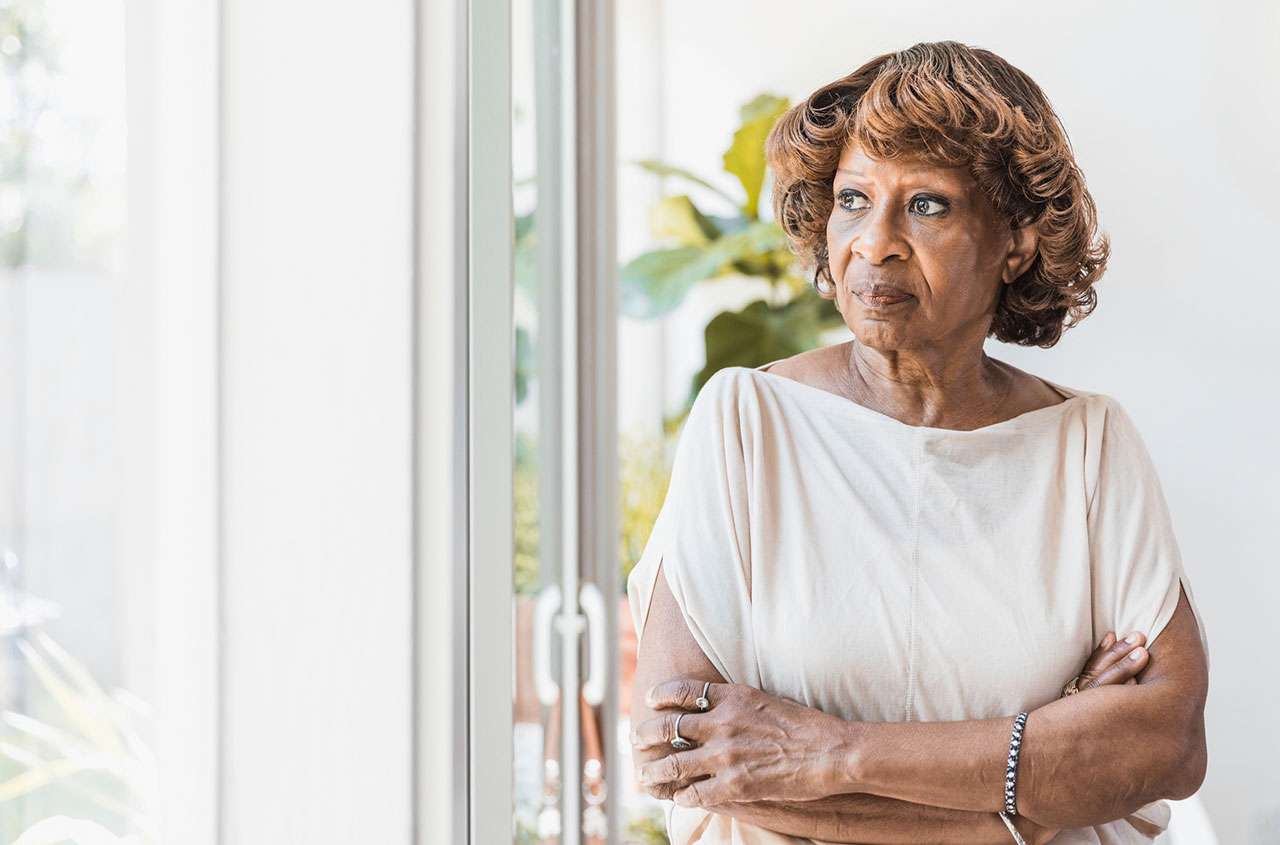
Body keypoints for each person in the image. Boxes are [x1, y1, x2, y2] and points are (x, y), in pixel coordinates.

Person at [625, 41, 1209, 845]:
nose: (875, 242)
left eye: (927, 204)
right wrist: (1035, 785)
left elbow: (1165, 745)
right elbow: (680, 757)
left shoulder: (1087, 445)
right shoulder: (745, 422)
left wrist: (830, 752)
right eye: (854, 199)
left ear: (1018, 238)